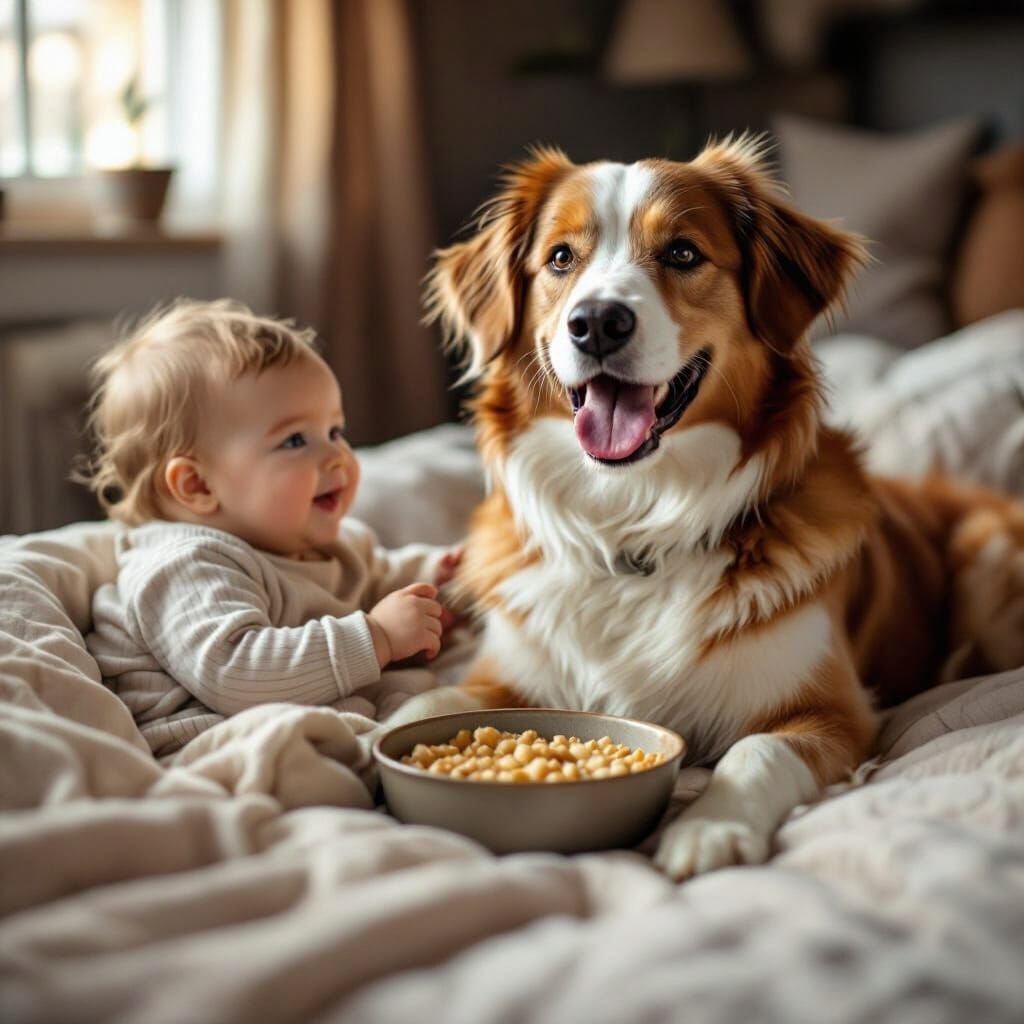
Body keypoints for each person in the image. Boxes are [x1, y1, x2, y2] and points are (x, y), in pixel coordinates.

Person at [80, 298, 460, 757]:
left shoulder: (328, 543)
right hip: (206, 738)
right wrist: (377, 637)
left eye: (335, 431)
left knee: (429, 708)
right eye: (296, 440)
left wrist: (443, 574)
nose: (338, 455)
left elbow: (375, 576)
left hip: (304, 718)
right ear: (198, 484)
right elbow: (237, 672)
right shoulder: (184, 564)